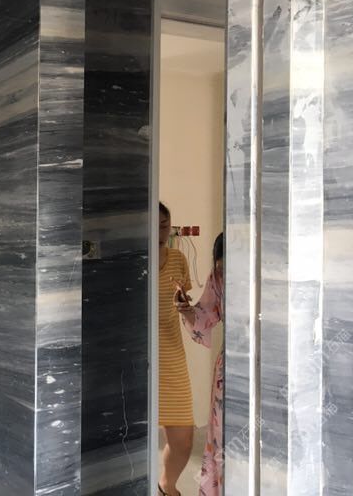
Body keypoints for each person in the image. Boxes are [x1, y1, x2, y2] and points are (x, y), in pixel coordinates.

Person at [177, 233, 224, 496]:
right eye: (221, 267)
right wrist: (185, 308)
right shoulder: (218, 276)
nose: (224, 273)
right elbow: (205, 315)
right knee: (222, 434)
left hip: (274, 363)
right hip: (231, 368)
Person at [158, 202, 194, 496]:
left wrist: (184, 307)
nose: (161, 232)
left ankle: (166, 486)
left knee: (184, 439)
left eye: (165, 225)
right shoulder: (131, 259)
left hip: (171, 355)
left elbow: (187, 309)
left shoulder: (178, 260)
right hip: (136, 356)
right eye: (155, 225)